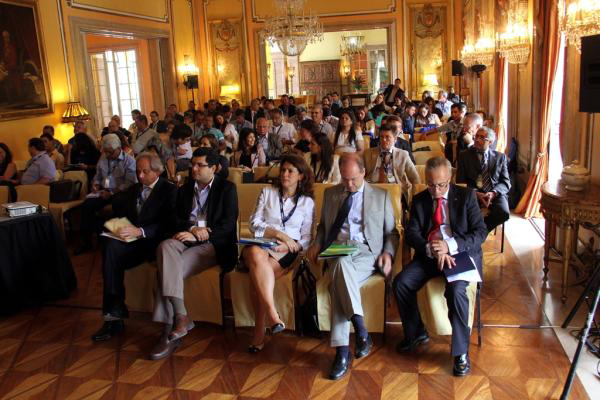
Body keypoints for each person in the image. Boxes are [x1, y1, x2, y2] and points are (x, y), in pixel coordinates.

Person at [306, 153, 399, 380]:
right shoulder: (331, 194)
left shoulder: (381, 196)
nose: (349, 184)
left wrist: (388, 252)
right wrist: (317, 243)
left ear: (363, 173)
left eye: (354, 180)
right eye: (345, 179)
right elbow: (322, 227)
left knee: (339, 280)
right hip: (337, 249)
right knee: (340, 264)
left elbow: (392, 233)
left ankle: (341, 352)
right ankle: (361, 330)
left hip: (367, 252)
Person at [393, 156, 487, 377]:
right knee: (401, 283)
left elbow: (480, 233)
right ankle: (416, 332)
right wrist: (431, 248)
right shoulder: (419, 200)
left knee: (455, 291)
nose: (436, 190)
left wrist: (449, 245)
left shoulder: (466, 197)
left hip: (459, 255)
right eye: (431, 184)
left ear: (450, 178)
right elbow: (412, 234)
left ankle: (461, 352)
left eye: (441, 185)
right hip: (430, 255)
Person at [150, 147, 238, 360]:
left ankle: (169, 330)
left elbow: (227, 226)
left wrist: (204, 232)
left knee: (165, 270)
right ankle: (181, 316)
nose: (194, 169)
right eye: (193, 165)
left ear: (214, 168)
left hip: (213, 244)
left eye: (200, 165)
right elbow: (175, 220)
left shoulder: (227, 189)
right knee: (165, 247)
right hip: (187, 238)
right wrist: (190, 230)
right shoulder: (185, 188)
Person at [91, 152, 177, 342]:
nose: (140, 176)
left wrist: (141, 231)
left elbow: (169, 224)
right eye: (138, 171)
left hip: (155, 244)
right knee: (110, 246)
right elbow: (120, 210)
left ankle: (115, 314)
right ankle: (114, 314)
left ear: (157, 171)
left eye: (145, 171)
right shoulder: (134, 190)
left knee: (111, 255)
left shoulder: (169, 190)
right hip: (132, 243)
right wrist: (117, 226)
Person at [243, 153, 315, 352]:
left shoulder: (306, 202)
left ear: (301, 176)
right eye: (283, 170)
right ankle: (273, 316)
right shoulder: (267, 192)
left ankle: (259, 330)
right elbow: (254, 224)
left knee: (256, 276)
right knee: (257, 255)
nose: (285, 174)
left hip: (285, 251)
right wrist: (280, 234)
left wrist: (290, 246)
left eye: (290, 171)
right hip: (260, 243)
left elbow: (307, 238)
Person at [75, 134, 137, 255]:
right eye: (106, 152)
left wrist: (112, 192)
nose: (108, 155)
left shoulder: (129, 161)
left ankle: (122, 240)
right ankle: (87, 242)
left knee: (118, 203)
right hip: (103, 191)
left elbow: (130, 183)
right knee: (87, 205)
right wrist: (95, 184)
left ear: (118, 148)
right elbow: (97, 176)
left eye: (110, 152)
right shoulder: (103, 158)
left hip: (120, 192)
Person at [457, 127, 510, 232]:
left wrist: (493, 193)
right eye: (476, 136)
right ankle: (476, 232)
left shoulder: (500, 157)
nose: (477, 140)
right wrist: (475, 193)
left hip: (494, 192)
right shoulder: (464, 155)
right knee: (463, 213)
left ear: (490, 142)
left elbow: (505, 182)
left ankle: (480, 232)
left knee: (504, 213)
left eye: (482, 138)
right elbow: (460, 182)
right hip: (473, 193)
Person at [364, 125, 419, 193]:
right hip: (372, 189)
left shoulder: (403, 155)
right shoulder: (368, 153)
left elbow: (415, 178)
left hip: (396, 189)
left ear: (395, 139)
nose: (384, 140)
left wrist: (414, 197)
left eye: (387, 137)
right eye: (381, 137)